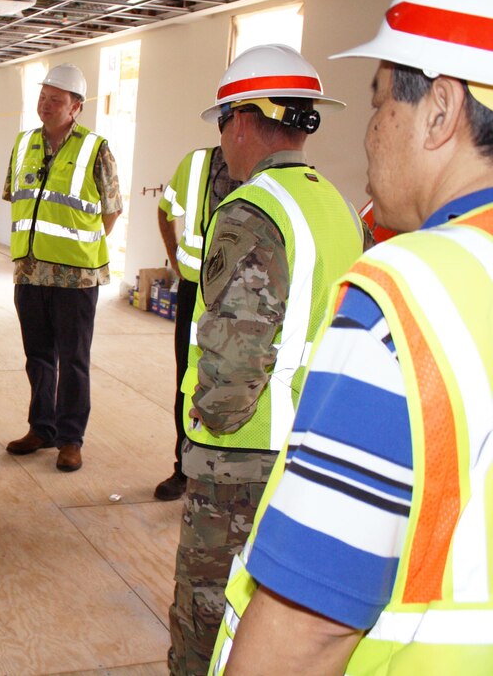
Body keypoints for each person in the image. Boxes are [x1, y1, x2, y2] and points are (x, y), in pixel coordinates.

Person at [211, 0, 493, 673]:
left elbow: (307, 631)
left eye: (378, 102)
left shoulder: (413, 294)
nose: (369, 132)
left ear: (440, 110)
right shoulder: (343, 208)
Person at [167, 44, 366, 676]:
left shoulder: (251, 211)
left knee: (205, 616)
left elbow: (234, 361)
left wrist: (207, 425)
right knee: (272, 614)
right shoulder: (333, 204)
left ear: (245, 121)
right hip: (310, 446)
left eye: (223, 121)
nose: (223, 139)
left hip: (243, 459)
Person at [3, 63, 122, 473]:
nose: (46, 105)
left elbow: (111, 211)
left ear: (76, 107)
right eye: (42, 97)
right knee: (37, 357)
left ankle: (71, 439)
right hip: (30, 272)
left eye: (56, 100)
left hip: (75, 276)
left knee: (73, 360)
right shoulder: (23, 144)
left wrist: (78, 247)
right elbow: (16, 199)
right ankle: (42, 428)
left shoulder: (95, 148)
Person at [153, 147, 237, 501]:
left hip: (242, 297)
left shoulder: (272, 175)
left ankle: (224, 475)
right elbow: (164, 210)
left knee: (236, 383)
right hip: (195, 293)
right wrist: (175, 259)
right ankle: (184, 469)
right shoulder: (198, 163)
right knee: (189, 379)